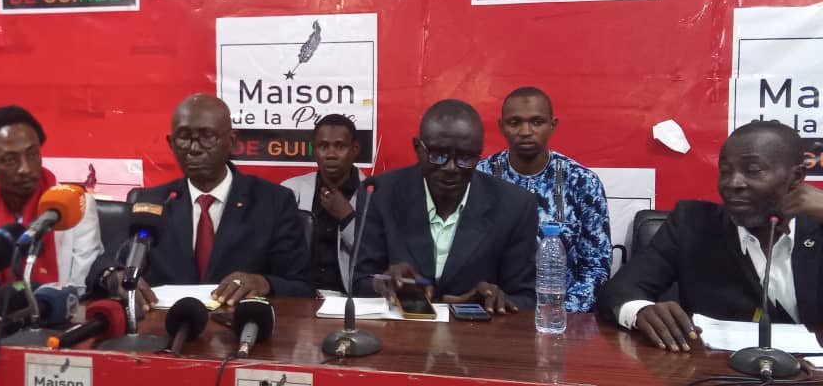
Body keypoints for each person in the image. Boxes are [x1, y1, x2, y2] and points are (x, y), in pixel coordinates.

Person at [599, 120, 823, 352]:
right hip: (720, 367)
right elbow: (619, 290)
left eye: (753, 170)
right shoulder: (692, 224)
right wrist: (641, 311)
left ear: (796, 177)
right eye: (725, 171)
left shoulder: (818, 224)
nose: (733, 183)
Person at [90, 94, 311, 309]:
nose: (194, 149)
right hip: (163, 326)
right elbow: (104, 264)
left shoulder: (272, 201)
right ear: (171, 143)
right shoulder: (152, 202)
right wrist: (114, 276)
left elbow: (301, 286)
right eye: (184, 137)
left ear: (232, 141)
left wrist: (264, 283)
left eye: (207, 136)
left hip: (240, 326)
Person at [354, 99, 539, 313]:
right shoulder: (380, 193)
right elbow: (360, 282)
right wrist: (387, 283)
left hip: (476, 330)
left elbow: (525, 298)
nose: (451, 168)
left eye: (466, 158)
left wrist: (490, 300)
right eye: (439, 155)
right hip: (401, 328)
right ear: (418, 148)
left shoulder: (515, 205)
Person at [476, 87, 611, 312]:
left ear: (552, 125)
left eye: (536, 122)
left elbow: (596, 268)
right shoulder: (480, 178)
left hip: (564, 316)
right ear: (501, 126)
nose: (525, 131)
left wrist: (558, 313)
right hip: (493, 311)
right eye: (515, 122)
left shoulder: (582, 182)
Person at [0, 106, 102, 287]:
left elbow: (84, 287)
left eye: (32, 154)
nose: (25, 169)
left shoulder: (76, 205)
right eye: (10, 160)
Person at [281, 114, 367, 294]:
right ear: (314, 150)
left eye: (340, 146)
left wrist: (348, 218)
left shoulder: (374, 194)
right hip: (299, 296)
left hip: (351, 299)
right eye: (323, 146)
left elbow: (377, 257)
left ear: (355, 149)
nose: (331, 155)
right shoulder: (290, 191)